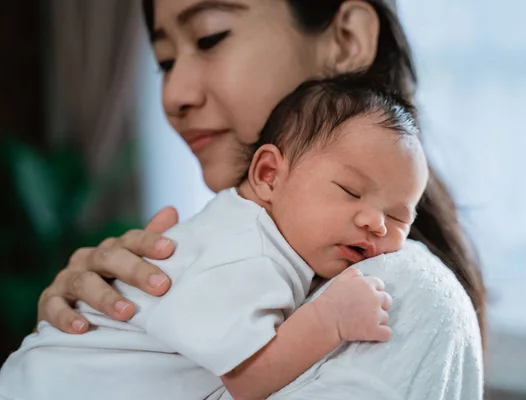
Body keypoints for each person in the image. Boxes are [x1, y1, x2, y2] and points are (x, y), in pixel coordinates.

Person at [34, 0, 485, 398]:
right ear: (267, 173)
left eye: (210, 36)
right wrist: (79, 336)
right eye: (165, 61)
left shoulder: (397, 291)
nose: (173, 96)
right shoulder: (238, 244)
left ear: (346, 40)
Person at [0, 75, 428, 400]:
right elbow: (246, 378)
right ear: (268, 175)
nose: (376, 224)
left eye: (397, 217)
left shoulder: (256, 232)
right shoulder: (249, 252)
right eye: (350, 192)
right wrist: (330, 320)